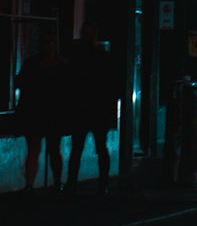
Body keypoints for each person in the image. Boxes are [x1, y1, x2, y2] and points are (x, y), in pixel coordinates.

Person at [65, 20, 119, 195]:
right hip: (93, 108)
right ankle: (102, 183)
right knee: (96, 147)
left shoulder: (79, 56)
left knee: (81, 147)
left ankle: (74, 183)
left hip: (85, 108)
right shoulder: (101, 56)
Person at [14, 31, 70, 193]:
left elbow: (21, 82)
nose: (48, 46)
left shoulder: (37, 64)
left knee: (46, 148)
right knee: (41, 148)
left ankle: (46, 183)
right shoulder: (53, 65)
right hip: (43, 111)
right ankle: (42, 183)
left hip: (43, 111)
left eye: (50, 43)